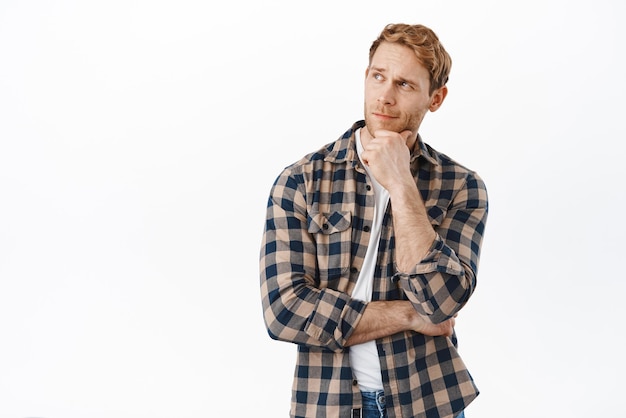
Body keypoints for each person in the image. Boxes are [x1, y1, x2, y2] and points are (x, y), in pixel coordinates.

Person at [259, 23, 488, 418]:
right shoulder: (302, 180)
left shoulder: (461, 187)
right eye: (378, 76)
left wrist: (401, 184)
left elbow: (441, 301)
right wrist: (408, 315)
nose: (384, 95)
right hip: (328, 403)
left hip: (428, 401)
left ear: (436, 99)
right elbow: (284, 310)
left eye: (404, 85)